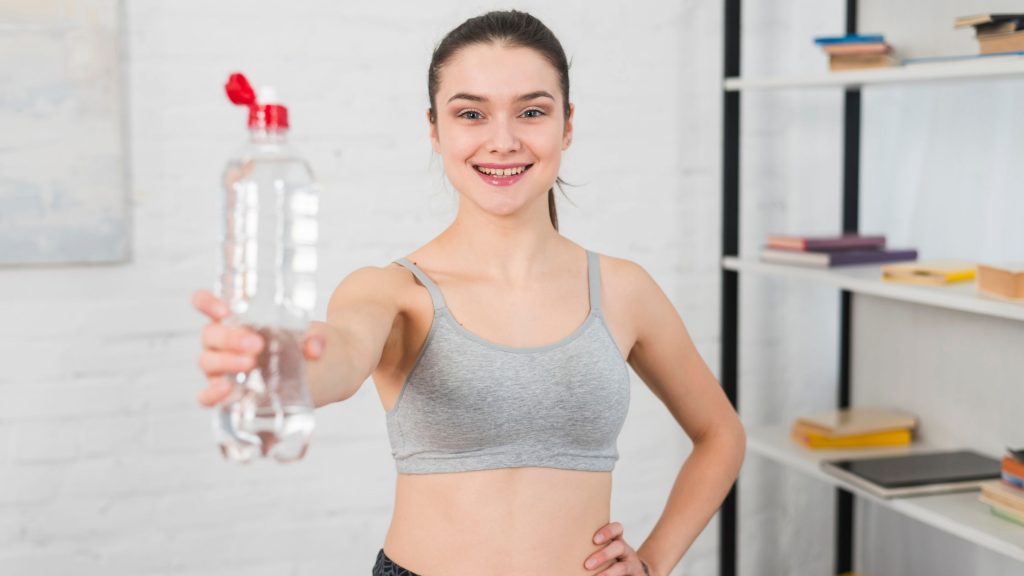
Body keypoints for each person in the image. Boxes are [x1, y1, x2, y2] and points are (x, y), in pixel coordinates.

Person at [192, 10, 745, 576]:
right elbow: (340, 357)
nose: (502, 141)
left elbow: (721, 433)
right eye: (471, 114)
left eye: (531, 112)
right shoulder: (394, 290)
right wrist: (281, 363)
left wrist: (652, 564)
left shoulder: (625, 290)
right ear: (435, 129)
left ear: (567, 125)